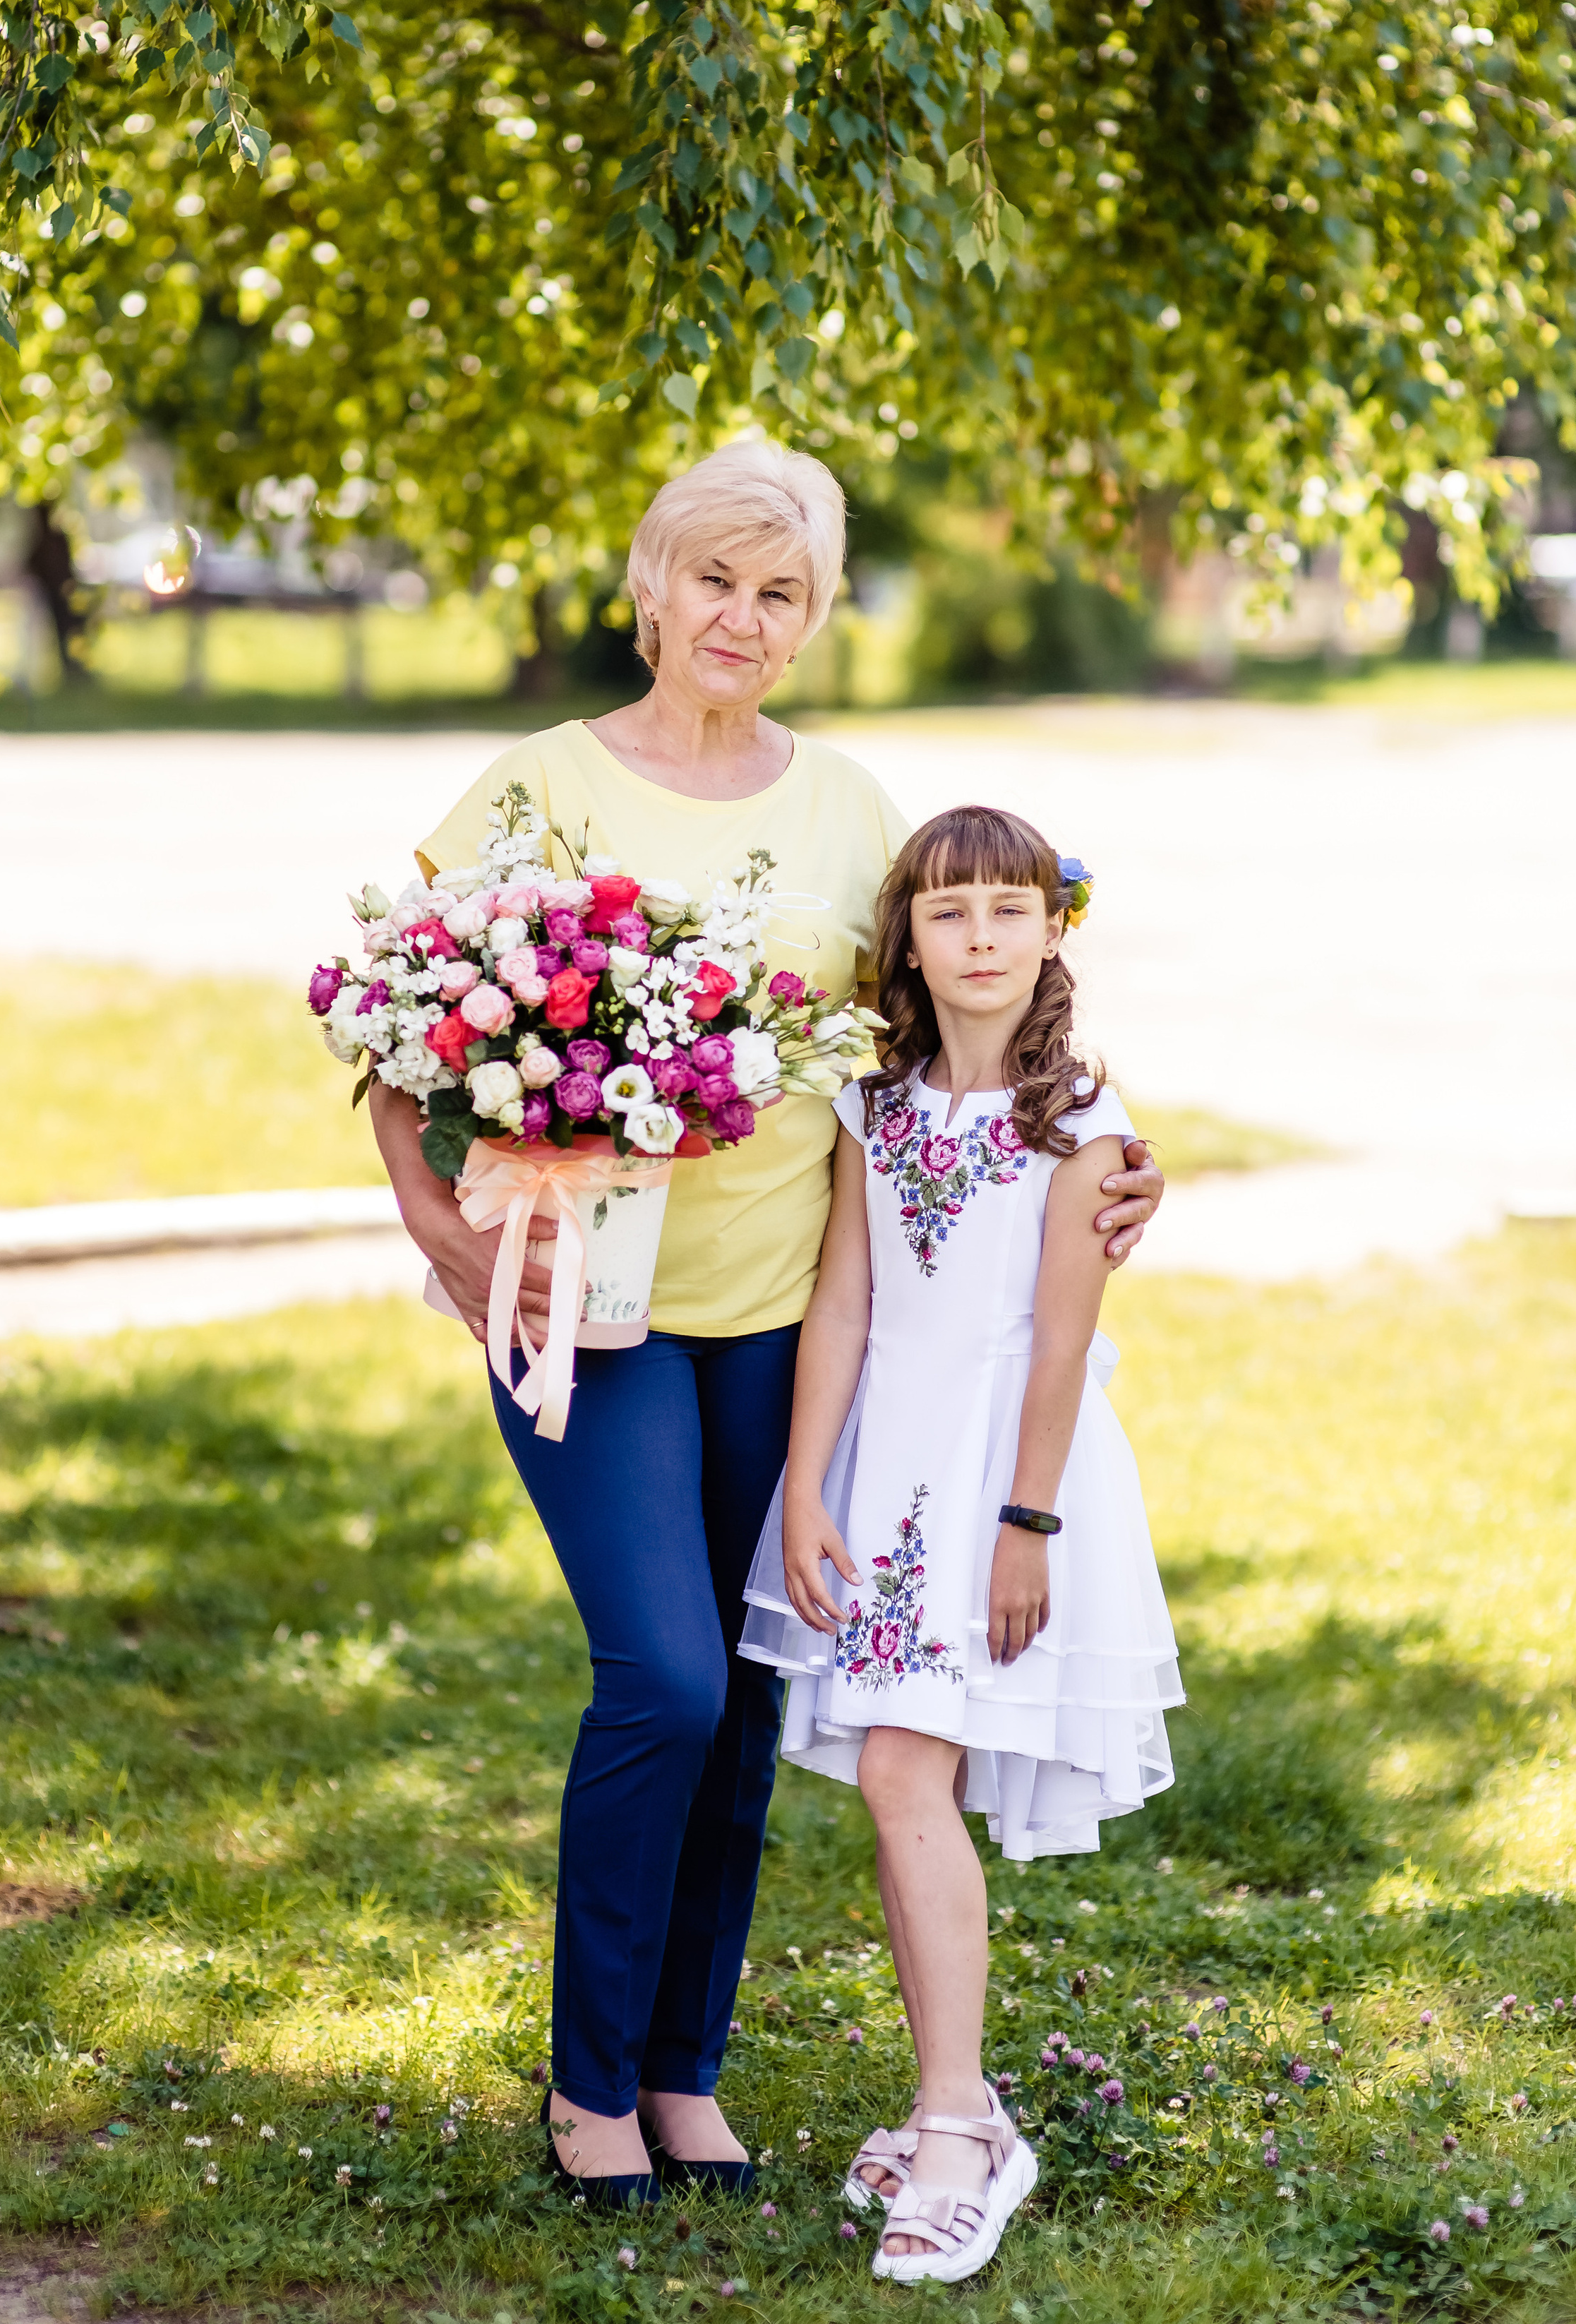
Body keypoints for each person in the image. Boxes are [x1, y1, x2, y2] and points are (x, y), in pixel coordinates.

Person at [368, 436, 1166, 2204]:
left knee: (736, 1697)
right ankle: (586, 2082)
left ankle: (681, 2072)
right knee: (656, 1673)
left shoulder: (847, 809)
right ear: (648, 589)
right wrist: (440, 1233)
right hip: (587, 1313)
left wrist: (1100, 1162)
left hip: (796, 1324)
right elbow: (396, 1026)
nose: (740, 617)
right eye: (713, 580)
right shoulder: (538, 787)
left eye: (778, 593)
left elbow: (958, 1032)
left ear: (808, 622)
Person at [739, 803, 1181, 2282]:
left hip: (1004, 1469)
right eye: (949, 914)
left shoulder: (1081, 1126)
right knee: (888, 1771)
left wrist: (1025, 1524)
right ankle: (960, 2103)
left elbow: (1061, 1342)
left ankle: (955, 2125)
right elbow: (845, 1307)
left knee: (896, 1770)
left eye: (1008, 910)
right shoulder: (876, 1104)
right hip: (881, 1474)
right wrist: (804, 1486)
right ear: (907, 941)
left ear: (1053, 929)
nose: (979, 938)